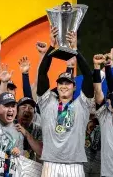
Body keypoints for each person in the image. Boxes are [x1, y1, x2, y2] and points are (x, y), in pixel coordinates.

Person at [37, 27, 94, 176]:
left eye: (67, 83)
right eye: (61, 83)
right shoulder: (47, 102)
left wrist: (75, 50)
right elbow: (42, 73)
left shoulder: (82, 104)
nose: (63, 86)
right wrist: (51, 46)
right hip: (50, 164)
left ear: (74, 87)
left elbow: (88, 77)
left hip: (74, 166)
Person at [15, 97, 43, 161]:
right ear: (17, 111)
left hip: (30, 167)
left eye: (31, 108)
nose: (27, 110)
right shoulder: (10, 125)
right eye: (24, 107)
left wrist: (26, 134)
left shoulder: (38, 130)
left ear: (34, 113)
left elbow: (41, 151)